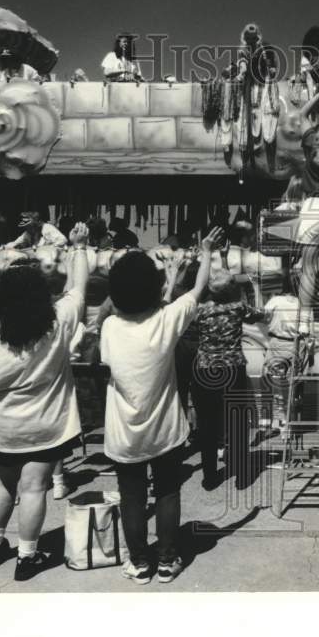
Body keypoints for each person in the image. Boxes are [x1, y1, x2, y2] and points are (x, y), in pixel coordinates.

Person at [0, 221, 91, 581]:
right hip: (47, 425)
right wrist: (79, 247)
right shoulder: (57, 324)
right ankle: (27, 556)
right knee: (35, 488)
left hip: (4, 426)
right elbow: (78, 288)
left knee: (2, 484)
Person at [100, 228, 219, 585]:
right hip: (166, 430)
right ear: (153, 289)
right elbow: (196, 291)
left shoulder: (109, 328)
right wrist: (208, 252)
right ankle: (168, 560)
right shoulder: (167, 320)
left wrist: (169, 282)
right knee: (168, 492)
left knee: (131, 497)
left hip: (124, 432)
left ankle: (139, 562)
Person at [192, 270, 264, 489]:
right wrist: (255, 289)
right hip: (233, 368)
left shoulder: (200, 311)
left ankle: (210, 476)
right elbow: (261, 314)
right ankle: (242, 475)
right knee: (238, 421)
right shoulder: (238, 308)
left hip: (205, 369)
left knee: (207, 424)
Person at [261, 271, 302, 429]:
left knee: (276, 383)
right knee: (293, 385)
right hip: (297, 345)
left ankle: (279, 418)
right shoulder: (302, 303)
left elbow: (263, 316)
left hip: (277, 342)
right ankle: (289, 419)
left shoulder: (275, 301)